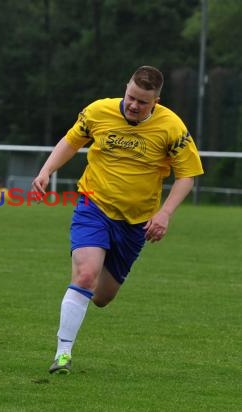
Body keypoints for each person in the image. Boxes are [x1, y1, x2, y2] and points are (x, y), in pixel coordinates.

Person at [31, 66, 204, 375]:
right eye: (131, 97)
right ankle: (62, 354)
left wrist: (165, 213)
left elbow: (187, 175)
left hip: (136, 222)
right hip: (93, 205)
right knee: (85, 275)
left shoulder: (172, 127)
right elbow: (71, 141)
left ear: (156, 101)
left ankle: (82, 304)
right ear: (125, 88)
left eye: (143, 102)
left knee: (101, 297)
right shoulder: (98, 111)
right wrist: (46, 171)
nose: (134, 105)